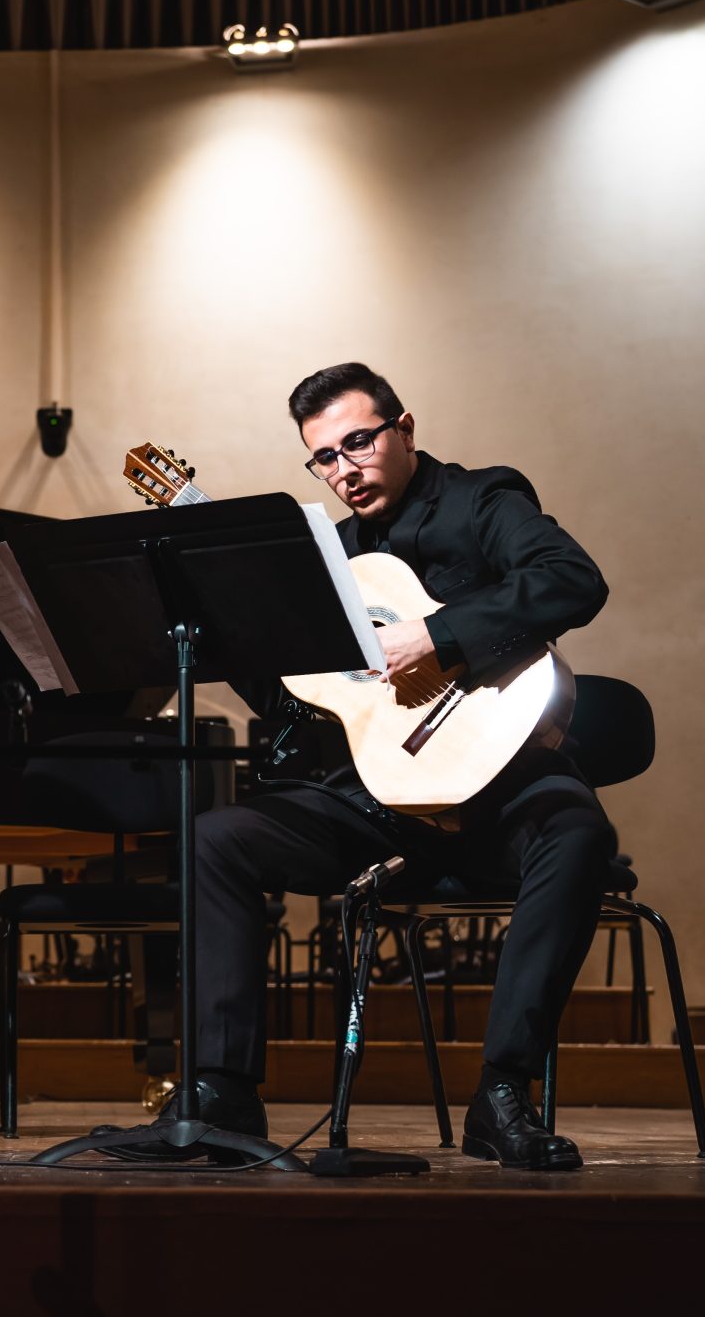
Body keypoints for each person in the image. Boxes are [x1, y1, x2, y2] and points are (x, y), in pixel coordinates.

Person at [118, 361, 615, 1170]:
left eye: (359, 442)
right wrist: (235, 622)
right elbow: (294, 707)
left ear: (405, 428)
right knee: (217, 838)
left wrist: (437, 635)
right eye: (324, 457)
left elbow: (572, 580)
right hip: (379, 800)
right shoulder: (331, 559)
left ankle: (502, 1092)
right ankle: (224, 1093)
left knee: (578, 829)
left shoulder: (483, 499)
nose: (344, 468)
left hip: (505, 788)